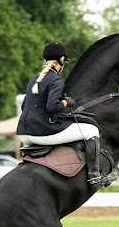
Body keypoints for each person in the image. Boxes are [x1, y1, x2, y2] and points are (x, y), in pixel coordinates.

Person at [16, 42, 107, 188]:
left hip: (23, 132)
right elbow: (52, 107)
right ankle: (94, 176)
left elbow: (24, 106)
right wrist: (66, 102)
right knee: (92, 131)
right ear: (62, 60)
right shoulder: (56, 80)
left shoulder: (34, 79)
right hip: (42, 132)